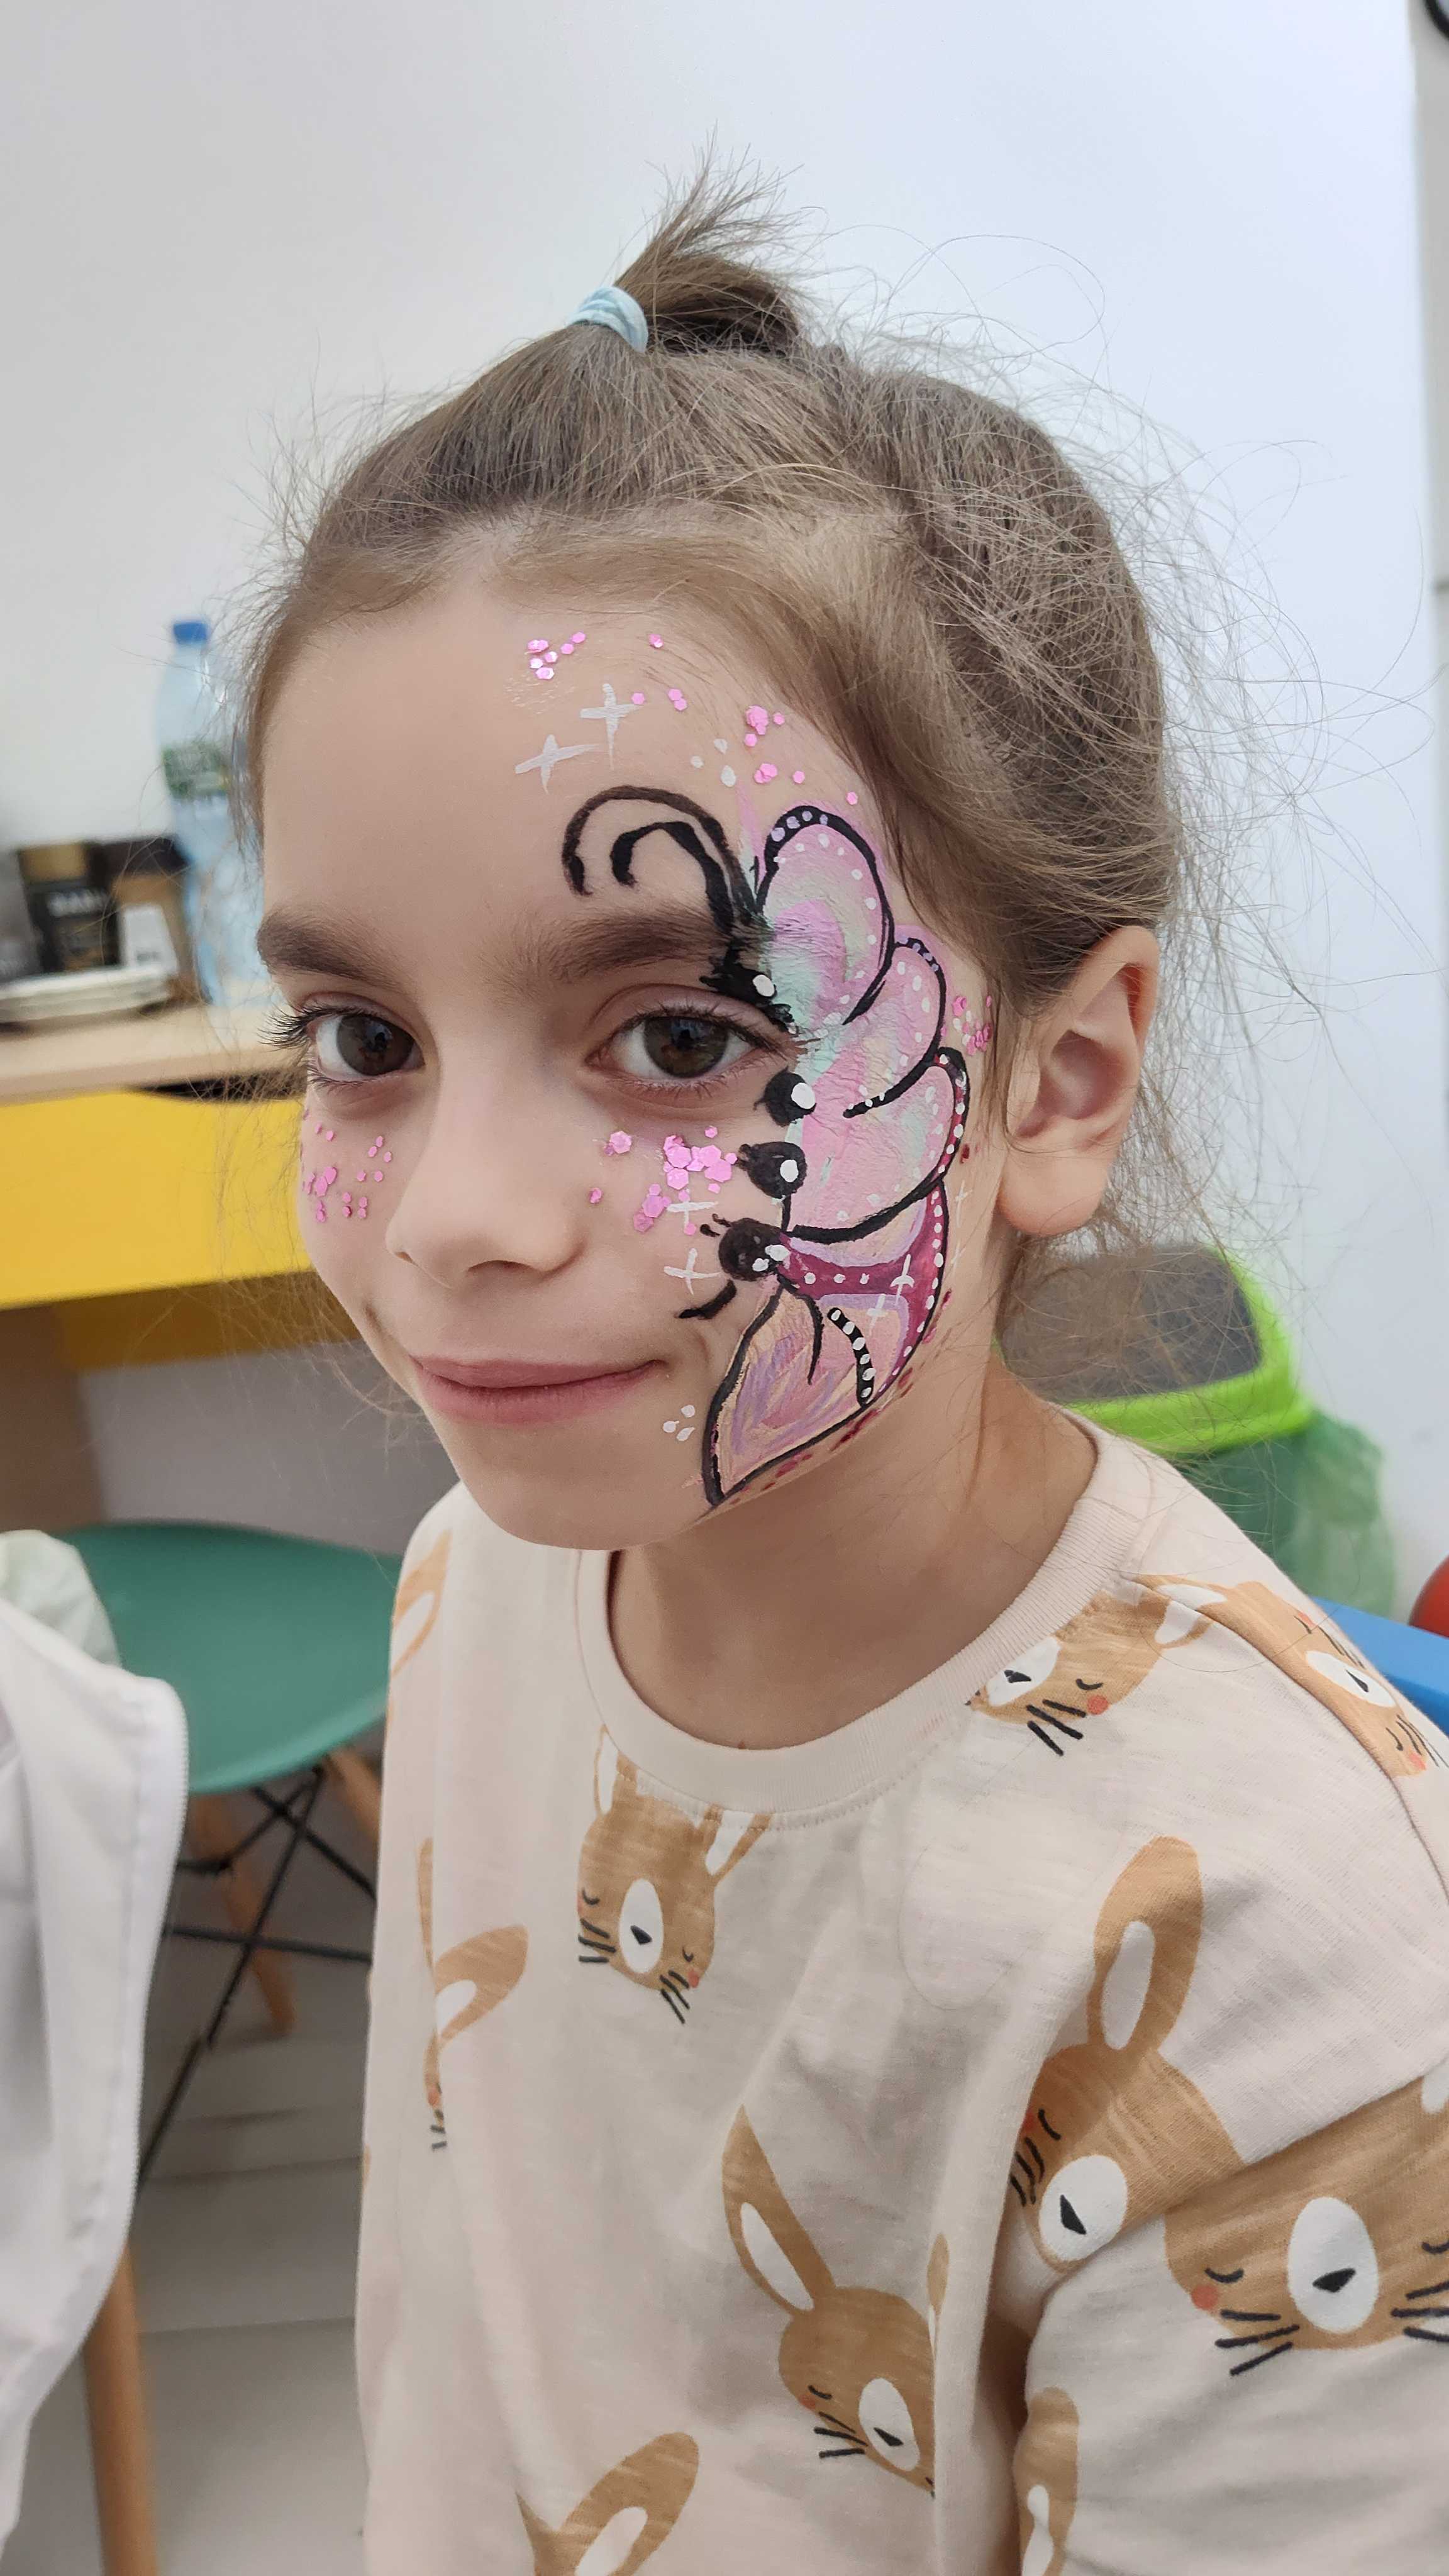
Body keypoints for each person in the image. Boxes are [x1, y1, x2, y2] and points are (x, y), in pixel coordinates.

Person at [240, 174, 1449, 2573]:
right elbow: (455, 2345)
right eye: (364, 1038)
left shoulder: (1286, 1953)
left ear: (1054, 1084)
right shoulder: (472, 1585)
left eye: (683, 1036)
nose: (460, 1211)